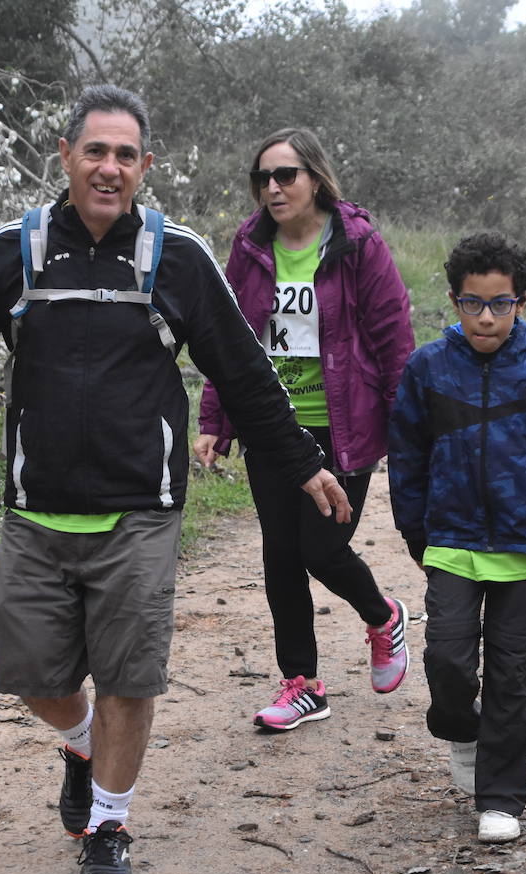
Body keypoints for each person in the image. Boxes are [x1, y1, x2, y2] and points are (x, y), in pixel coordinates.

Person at [0, 85, 351, 874]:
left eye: (125, 155)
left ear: (145, 166)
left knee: (129, 677)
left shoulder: (176, 257)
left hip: (139, 511)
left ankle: (109, 823)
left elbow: (245, 375)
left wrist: (301, 461)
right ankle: (79, 744)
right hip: (33, 510)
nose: (109, 168)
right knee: (27, 669)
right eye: (94, 151)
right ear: (66, 157)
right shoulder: (22, 246)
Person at [194, 127, 415, 731]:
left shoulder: (358, 245)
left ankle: (383, 615)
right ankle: (302, 684)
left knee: (321, 550)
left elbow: (395, 342)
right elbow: (230, 339)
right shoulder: (251, 245)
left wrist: (409, 431)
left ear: (315, 178)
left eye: (285, 175)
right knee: (280, 557)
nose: (272, 187)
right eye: (263, 177)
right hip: (273, 427)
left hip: (342, 427)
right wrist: (217, 419)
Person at [388, 232, 526, 844]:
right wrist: (415, 530)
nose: (485, 316)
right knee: (447, 658)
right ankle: (458, 726)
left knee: (512, 674)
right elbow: (406, 454)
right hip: (449, 541)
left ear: (521, 302)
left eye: (499, 303)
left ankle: (501, 796)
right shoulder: (427, 369)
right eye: (472, 302)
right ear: (453, 300)